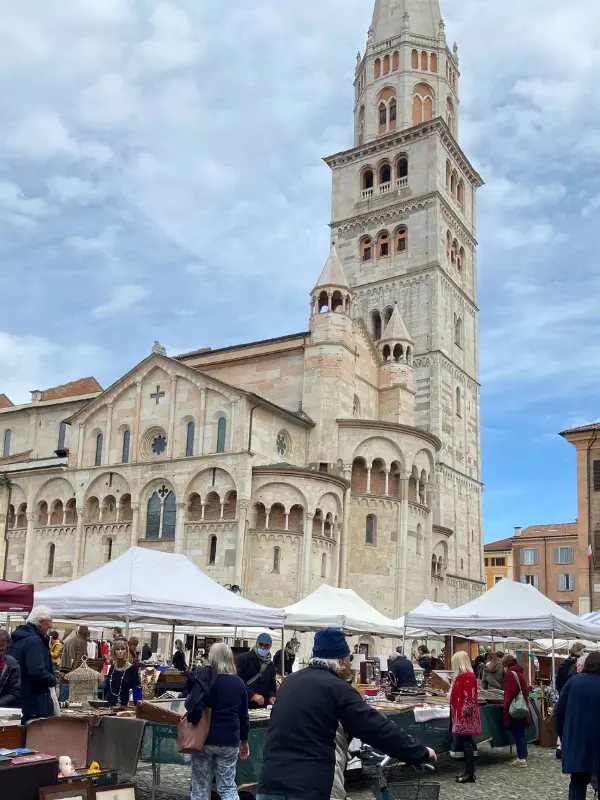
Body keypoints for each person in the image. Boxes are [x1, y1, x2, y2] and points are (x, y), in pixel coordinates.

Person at [257, 628, 435, 800]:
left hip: (270, 783)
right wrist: (419, 751)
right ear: (341, 660)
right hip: (310, 785)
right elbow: (376, 727)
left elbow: (303, 724)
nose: (350, 663)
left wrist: (343, 742)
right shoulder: (338, 688)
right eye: (349, 658)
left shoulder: (289, 682)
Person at [186, 643, 250, 800]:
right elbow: (244, 716)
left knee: (200, 785)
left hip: (204, 739)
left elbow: (191, 704)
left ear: (212, 658)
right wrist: (244, 740)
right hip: (229, 739)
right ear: (230, 659)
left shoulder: (205, 680)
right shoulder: (239, 683)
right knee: (228, 786)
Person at [555, 650, 600, 800]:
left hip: (576, 741)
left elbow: (559, 713)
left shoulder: (573, 682)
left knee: (577, 784)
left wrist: (564, 736)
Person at [8, 606, 57, 723]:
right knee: (34, 738)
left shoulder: (19, 637)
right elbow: (36, 672)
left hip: (21, 698)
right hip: (34, 702)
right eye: (49, 622)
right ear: (40, 622)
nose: (51, 626)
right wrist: (53, 679)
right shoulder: (34, 641)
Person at [450, 651, 481, 784]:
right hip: (461, 715)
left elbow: (469, 698)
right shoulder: (461, 677)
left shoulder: (468, 677)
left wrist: (463, 714)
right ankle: (468, 772)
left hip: (465, 717)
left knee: (467, 745)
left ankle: (470, 773)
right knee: (465, 744)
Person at [502, 653, 530, 767]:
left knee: (518, 732)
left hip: (516, 707)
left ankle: (521, 759)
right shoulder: (520, 673)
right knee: (521, 733)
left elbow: (510, 692)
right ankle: (523, 755)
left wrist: (505, 706)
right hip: (523, 706)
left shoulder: (511, 674)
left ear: (505, 665)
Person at [236, 633, 277, 709]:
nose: (263, 647)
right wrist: (253, 695)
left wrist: (272, 696)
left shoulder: (271, 665)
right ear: (256, 643)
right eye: (261, 644)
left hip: (261, 706)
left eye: (266, 645)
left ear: (270, 646)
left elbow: (272, 686)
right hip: (244, 703)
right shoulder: (243, 659)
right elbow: (238, 682)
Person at [105, 639, 138, 707]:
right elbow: (107, 687)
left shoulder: (132, 669)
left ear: (126, 651)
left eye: (123, 649)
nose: (120, 652)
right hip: (109, 707)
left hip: (125, 707)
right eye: (117, 649)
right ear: (114, 651)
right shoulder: (112, 668)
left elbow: (135, 690)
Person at [0, 629, 20, 708]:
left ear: (6, 648)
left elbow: (15, 692)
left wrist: (1, 702)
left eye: (0, 650)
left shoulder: (12, 665)